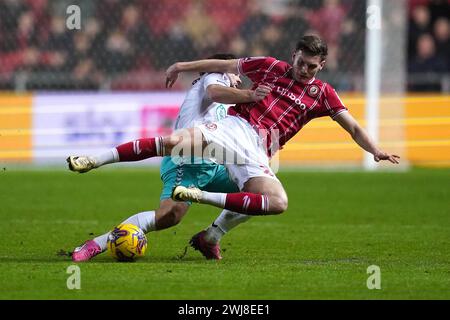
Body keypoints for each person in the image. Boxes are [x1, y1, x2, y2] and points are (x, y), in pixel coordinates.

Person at [69, 35, 400, 257]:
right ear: (293, 56)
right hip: (234, 129)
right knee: (173, 144)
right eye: (301, 62)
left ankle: (210, 232)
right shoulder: (270, 67)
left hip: (257, 151)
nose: (304, 70)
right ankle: (94, 160)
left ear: (321, 66)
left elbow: (352, 125)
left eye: (312, 66)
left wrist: (374, 150)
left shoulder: (324, 95)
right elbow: (222, 67)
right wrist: (182, 66)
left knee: (275, 201)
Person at [69, 53, 272, 261]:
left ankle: (210, 237)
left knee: (260, 195)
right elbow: (214, 93)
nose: (239, 79)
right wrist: (250, 95)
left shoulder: (230, 102)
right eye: (236, 74)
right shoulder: (213, 76)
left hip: (214, 164)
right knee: (169, 216)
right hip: (185, 161)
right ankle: (96, 243)